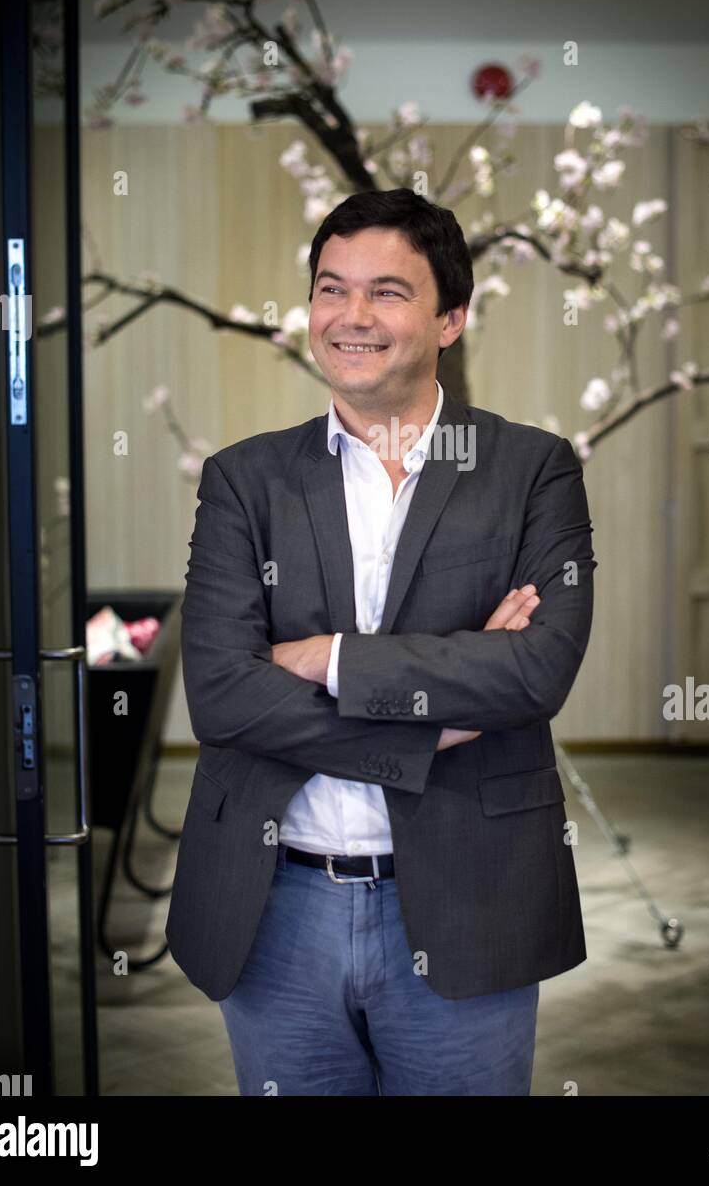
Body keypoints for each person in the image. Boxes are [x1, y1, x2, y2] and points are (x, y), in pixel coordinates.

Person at [166, 187, 597, 1095]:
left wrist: (327, 658)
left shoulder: (531, 471)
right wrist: (428, 721)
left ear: (450, 319)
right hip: (275, 904)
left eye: (387, 292)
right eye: (331, 288)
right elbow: (222, 694)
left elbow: (534, 670)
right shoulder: (245, 481)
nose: (350, 316)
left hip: (465, 899)